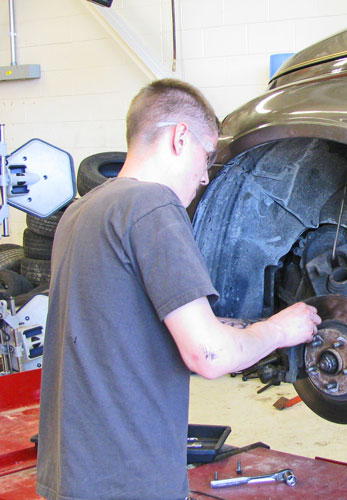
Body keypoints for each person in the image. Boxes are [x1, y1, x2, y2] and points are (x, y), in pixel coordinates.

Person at [36, 79, 321, 500]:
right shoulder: (153, 205)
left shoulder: (82, 211)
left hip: (71, 477)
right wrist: (283, 328)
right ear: (179, 137)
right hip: (130, 483)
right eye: (206, 156)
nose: (205, 176)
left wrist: (248, 327)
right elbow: (208, 356)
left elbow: (134, 324)